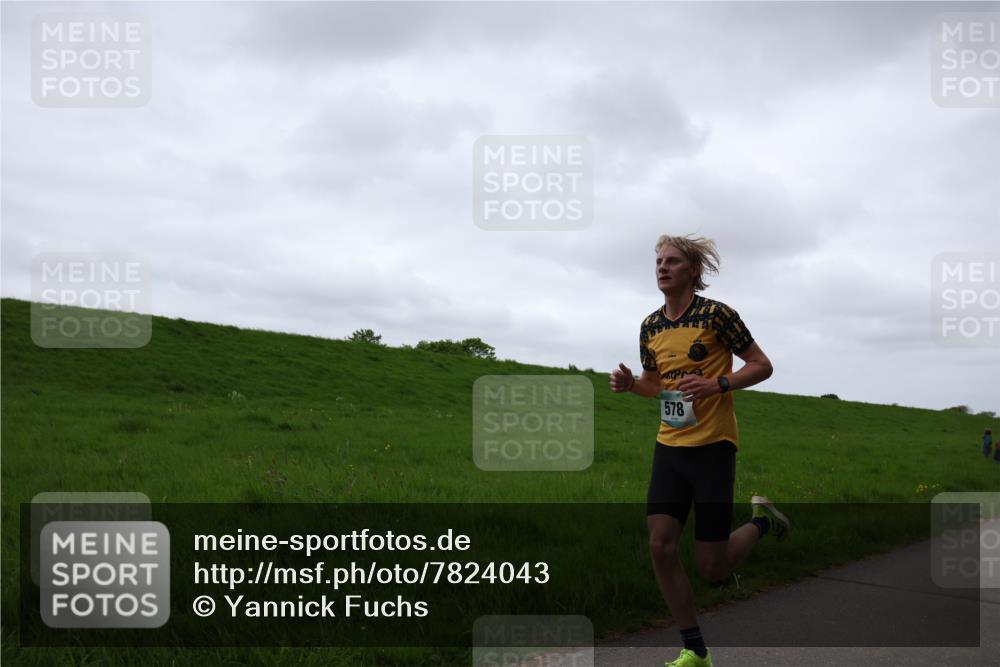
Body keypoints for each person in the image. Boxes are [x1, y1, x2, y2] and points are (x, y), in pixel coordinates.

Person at [609, 235, 790, 667]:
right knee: (661, 546)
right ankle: (695, 650)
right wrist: (633, 385)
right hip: (669, 445)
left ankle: (762, 523)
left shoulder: (718, 315)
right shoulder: (650, 325)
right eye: (658, 261)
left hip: (713, 447)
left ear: (693, 270)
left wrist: (718, 383)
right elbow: (656, 384)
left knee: (713, 569)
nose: (662, 267)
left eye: (672, 261)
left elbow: (762, 364)